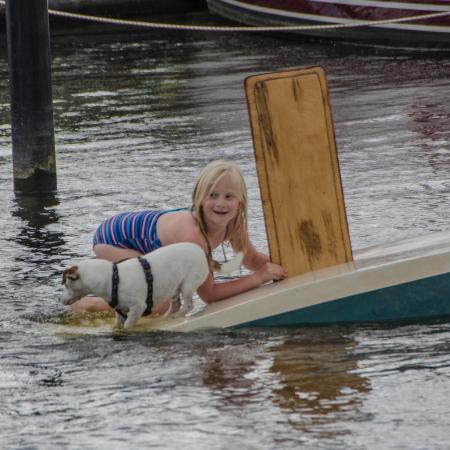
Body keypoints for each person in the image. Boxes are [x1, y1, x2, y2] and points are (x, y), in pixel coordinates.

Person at [71, 160, 288, 315]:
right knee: (158, 305)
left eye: (229, 196)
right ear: (199, 198)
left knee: (165, 296)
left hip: (149, 235)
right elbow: (209, 294)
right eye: (212, 195)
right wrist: (259, 278)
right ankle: (86, 305)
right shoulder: (194, 237)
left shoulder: (234, 222)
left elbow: (249, 259)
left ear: (240, 201)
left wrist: (288, 262)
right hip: (117, 238)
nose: (221, 203)